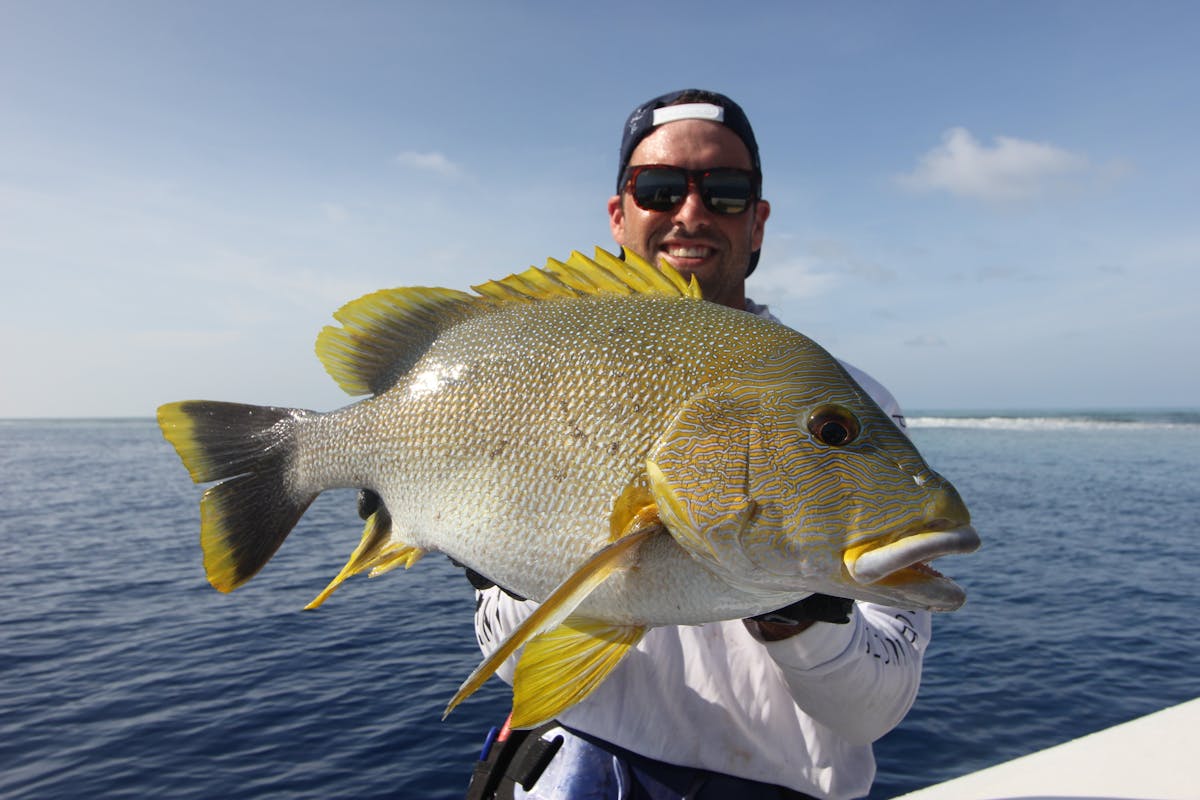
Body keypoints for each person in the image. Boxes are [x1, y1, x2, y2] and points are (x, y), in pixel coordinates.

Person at [465, 90, 926, 800]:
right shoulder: (522, 388)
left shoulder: (850, 411)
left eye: (726, 191)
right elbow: (513, 663)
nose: (690, 213)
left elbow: (874, 709)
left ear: (759, 222)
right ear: (619, 215)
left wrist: (804, 609)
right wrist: (503, 570)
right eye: (658, 189)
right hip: (576, 769)